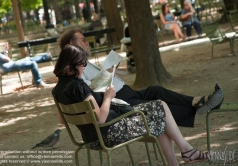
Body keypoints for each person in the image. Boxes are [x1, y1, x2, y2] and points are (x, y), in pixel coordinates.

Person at [52, 44, 210, 165]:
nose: (85, 67)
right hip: (109, 134)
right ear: (76, 64)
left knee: (156, 112)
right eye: (83, 63)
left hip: (90, 137)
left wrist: (93, 94)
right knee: (160, 107)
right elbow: (100, 119)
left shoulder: (58, 90)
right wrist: (107, 97)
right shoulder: (79, 86)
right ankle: (186, 152)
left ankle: (182, 156)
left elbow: (62, 120)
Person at [58, 29, 224, 128]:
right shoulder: (76, 69)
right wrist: (106, 73)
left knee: (155, 90)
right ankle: (203, 105)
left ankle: (198, 101)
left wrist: (110, 70)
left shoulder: (83, 63)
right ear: (73, 43)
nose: (87, 43)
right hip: (120, 100)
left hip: (127, 92)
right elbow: (90, 91)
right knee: (159, 107)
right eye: (83, 40)